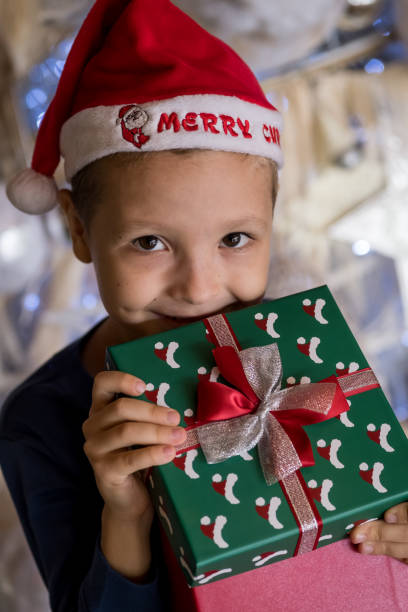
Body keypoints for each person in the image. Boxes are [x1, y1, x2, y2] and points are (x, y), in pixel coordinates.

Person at [0, 1, 407, 611]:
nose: (198, 286)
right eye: (149, 242)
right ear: (80, 231)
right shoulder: (40, 421)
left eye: (235, 239)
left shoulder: (311, 347)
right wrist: (127, 512)